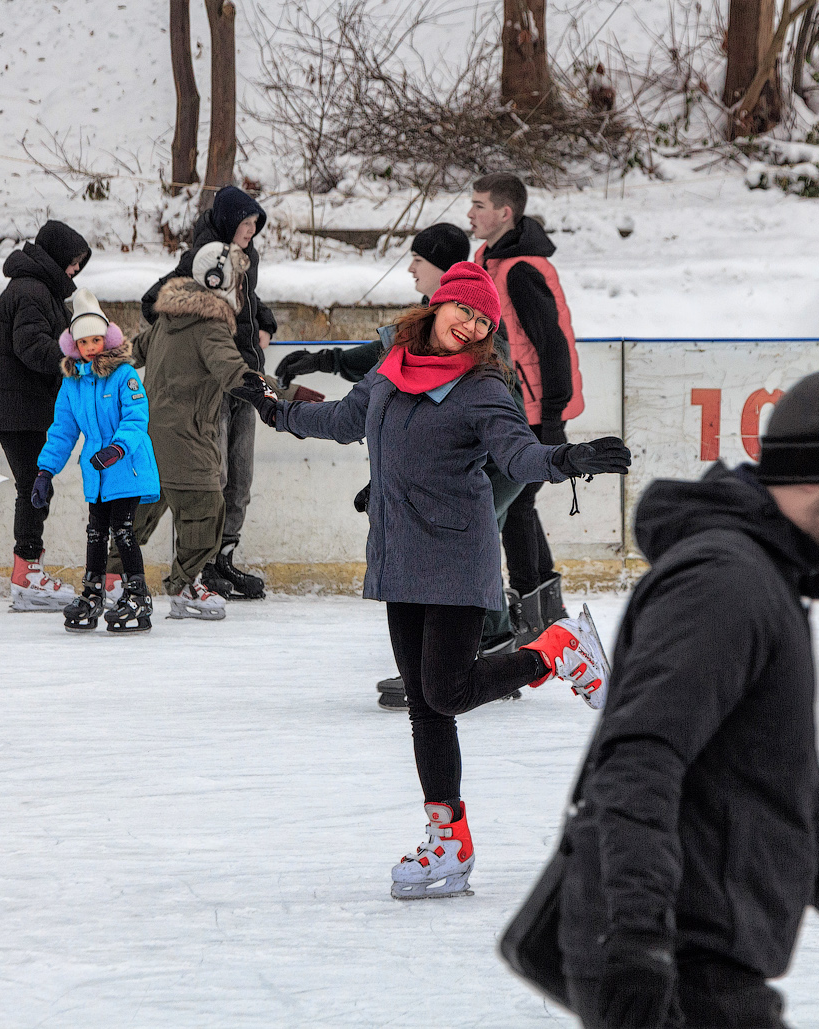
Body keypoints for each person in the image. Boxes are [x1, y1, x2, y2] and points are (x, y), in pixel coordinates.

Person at [555, 370, 819, 1029]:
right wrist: (640, 938)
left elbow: (787, 793)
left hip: (698, 956)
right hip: (676, 966)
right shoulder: (727, 584)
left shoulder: (763, 580)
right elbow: (638, 757)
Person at [234, 262, 631, 899]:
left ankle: (555, 651)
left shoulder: (484, 387)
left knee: (447, 693)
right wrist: (277, 413)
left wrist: (565, 459)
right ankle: (448, 839)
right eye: (464, 311)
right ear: (440, 305)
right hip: (397, 555)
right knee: (425, 707)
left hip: (455, 554)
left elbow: (516, 454)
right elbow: (343, 421)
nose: (470, 326)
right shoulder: (392, 364)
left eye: (483, 320)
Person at [274, 223, 534, 712]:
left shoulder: (476, 341)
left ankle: (481, 653)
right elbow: (392, 381)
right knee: (444, 548)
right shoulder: (424, 332)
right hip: (466, 461)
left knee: (463, 546)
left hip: (497, 461)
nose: (410, 267)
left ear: (444, 273)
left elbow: (475, 429)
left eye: (419, 259)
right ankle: (444, 664)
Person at [143, 184, 277, 600]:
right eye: (247, 224)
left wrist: (264, 323)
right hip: (212, 386)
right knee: (209, 478)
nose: (251, 232)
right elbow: (154, 303)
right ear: (228, 222)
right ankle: (195, 568)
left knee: (240, 477)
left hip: (245, 379)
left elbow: (247, 300)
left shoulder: (245, 259)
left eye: (256, 225)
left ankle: (223, 559)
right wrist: (205, 338)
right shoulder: (201, 259)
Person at [115, 242, 261, 620]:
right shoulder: (210, 327)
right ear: (220, 281)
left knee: (141, 510)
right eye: (238, 281)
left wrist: (93, 360)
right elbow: (233, 372)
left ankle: (108, 577)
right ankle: (186, 587)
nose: (240, 289)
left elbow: (131, 353)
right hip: (188, 438)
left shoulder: (166, 320)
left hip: (149, 436)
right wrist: (279, 395)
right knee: (204, 510)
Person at [469, 172, 585, 632]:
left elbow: (552, 346)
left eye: (479, 205)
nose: (471, 214)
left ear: (505, 213)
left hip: (533, 412)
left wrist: (553, 419)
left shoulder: (519, 270)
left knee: (516, 505)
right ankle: (541, 606)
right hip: (511, 406)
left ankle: (535, 608)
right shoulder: (489, 259)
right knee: (519, 506)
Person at [0, 219, 91, 611]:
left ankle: (29, 570)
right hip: (16, 407)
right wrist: (71, 357)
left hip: (19, 405)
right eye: (72, 262)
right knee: (33, 487)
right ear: (56, 258)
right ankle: (26, 576)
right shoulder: (31, 290)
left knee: (36, 485)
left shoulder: (38, 288)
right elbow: (30, 344)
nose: (74, 270)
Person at [29, 291, 161, 633]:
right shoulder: (72, 383)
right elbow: (62, 430)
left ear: (108, 339)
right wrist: (45, 471)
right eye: (83, 341)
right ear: (74, 344)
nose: (90, 346)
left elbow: (136, 417)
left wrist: (117, 449)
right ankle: (92, 593)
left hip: (127, 467)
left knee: (123, 530)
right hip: (97, 474)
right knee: (95, 532)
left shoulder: (124, 375)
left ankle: (137, 595)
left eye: (96, 339)